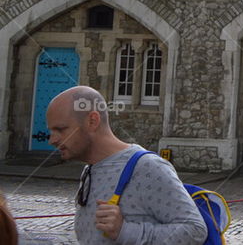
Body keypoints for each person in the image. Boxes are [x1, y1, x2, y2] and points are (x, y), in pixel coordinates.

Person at [46, 86, 206, 245]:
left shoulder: (147, 167)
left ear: (92, 121)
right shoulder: (90, 170)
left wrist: (125, 231)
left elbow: (195, 230)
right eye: (51, 131)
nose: (52, 140)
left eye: (60, 129)